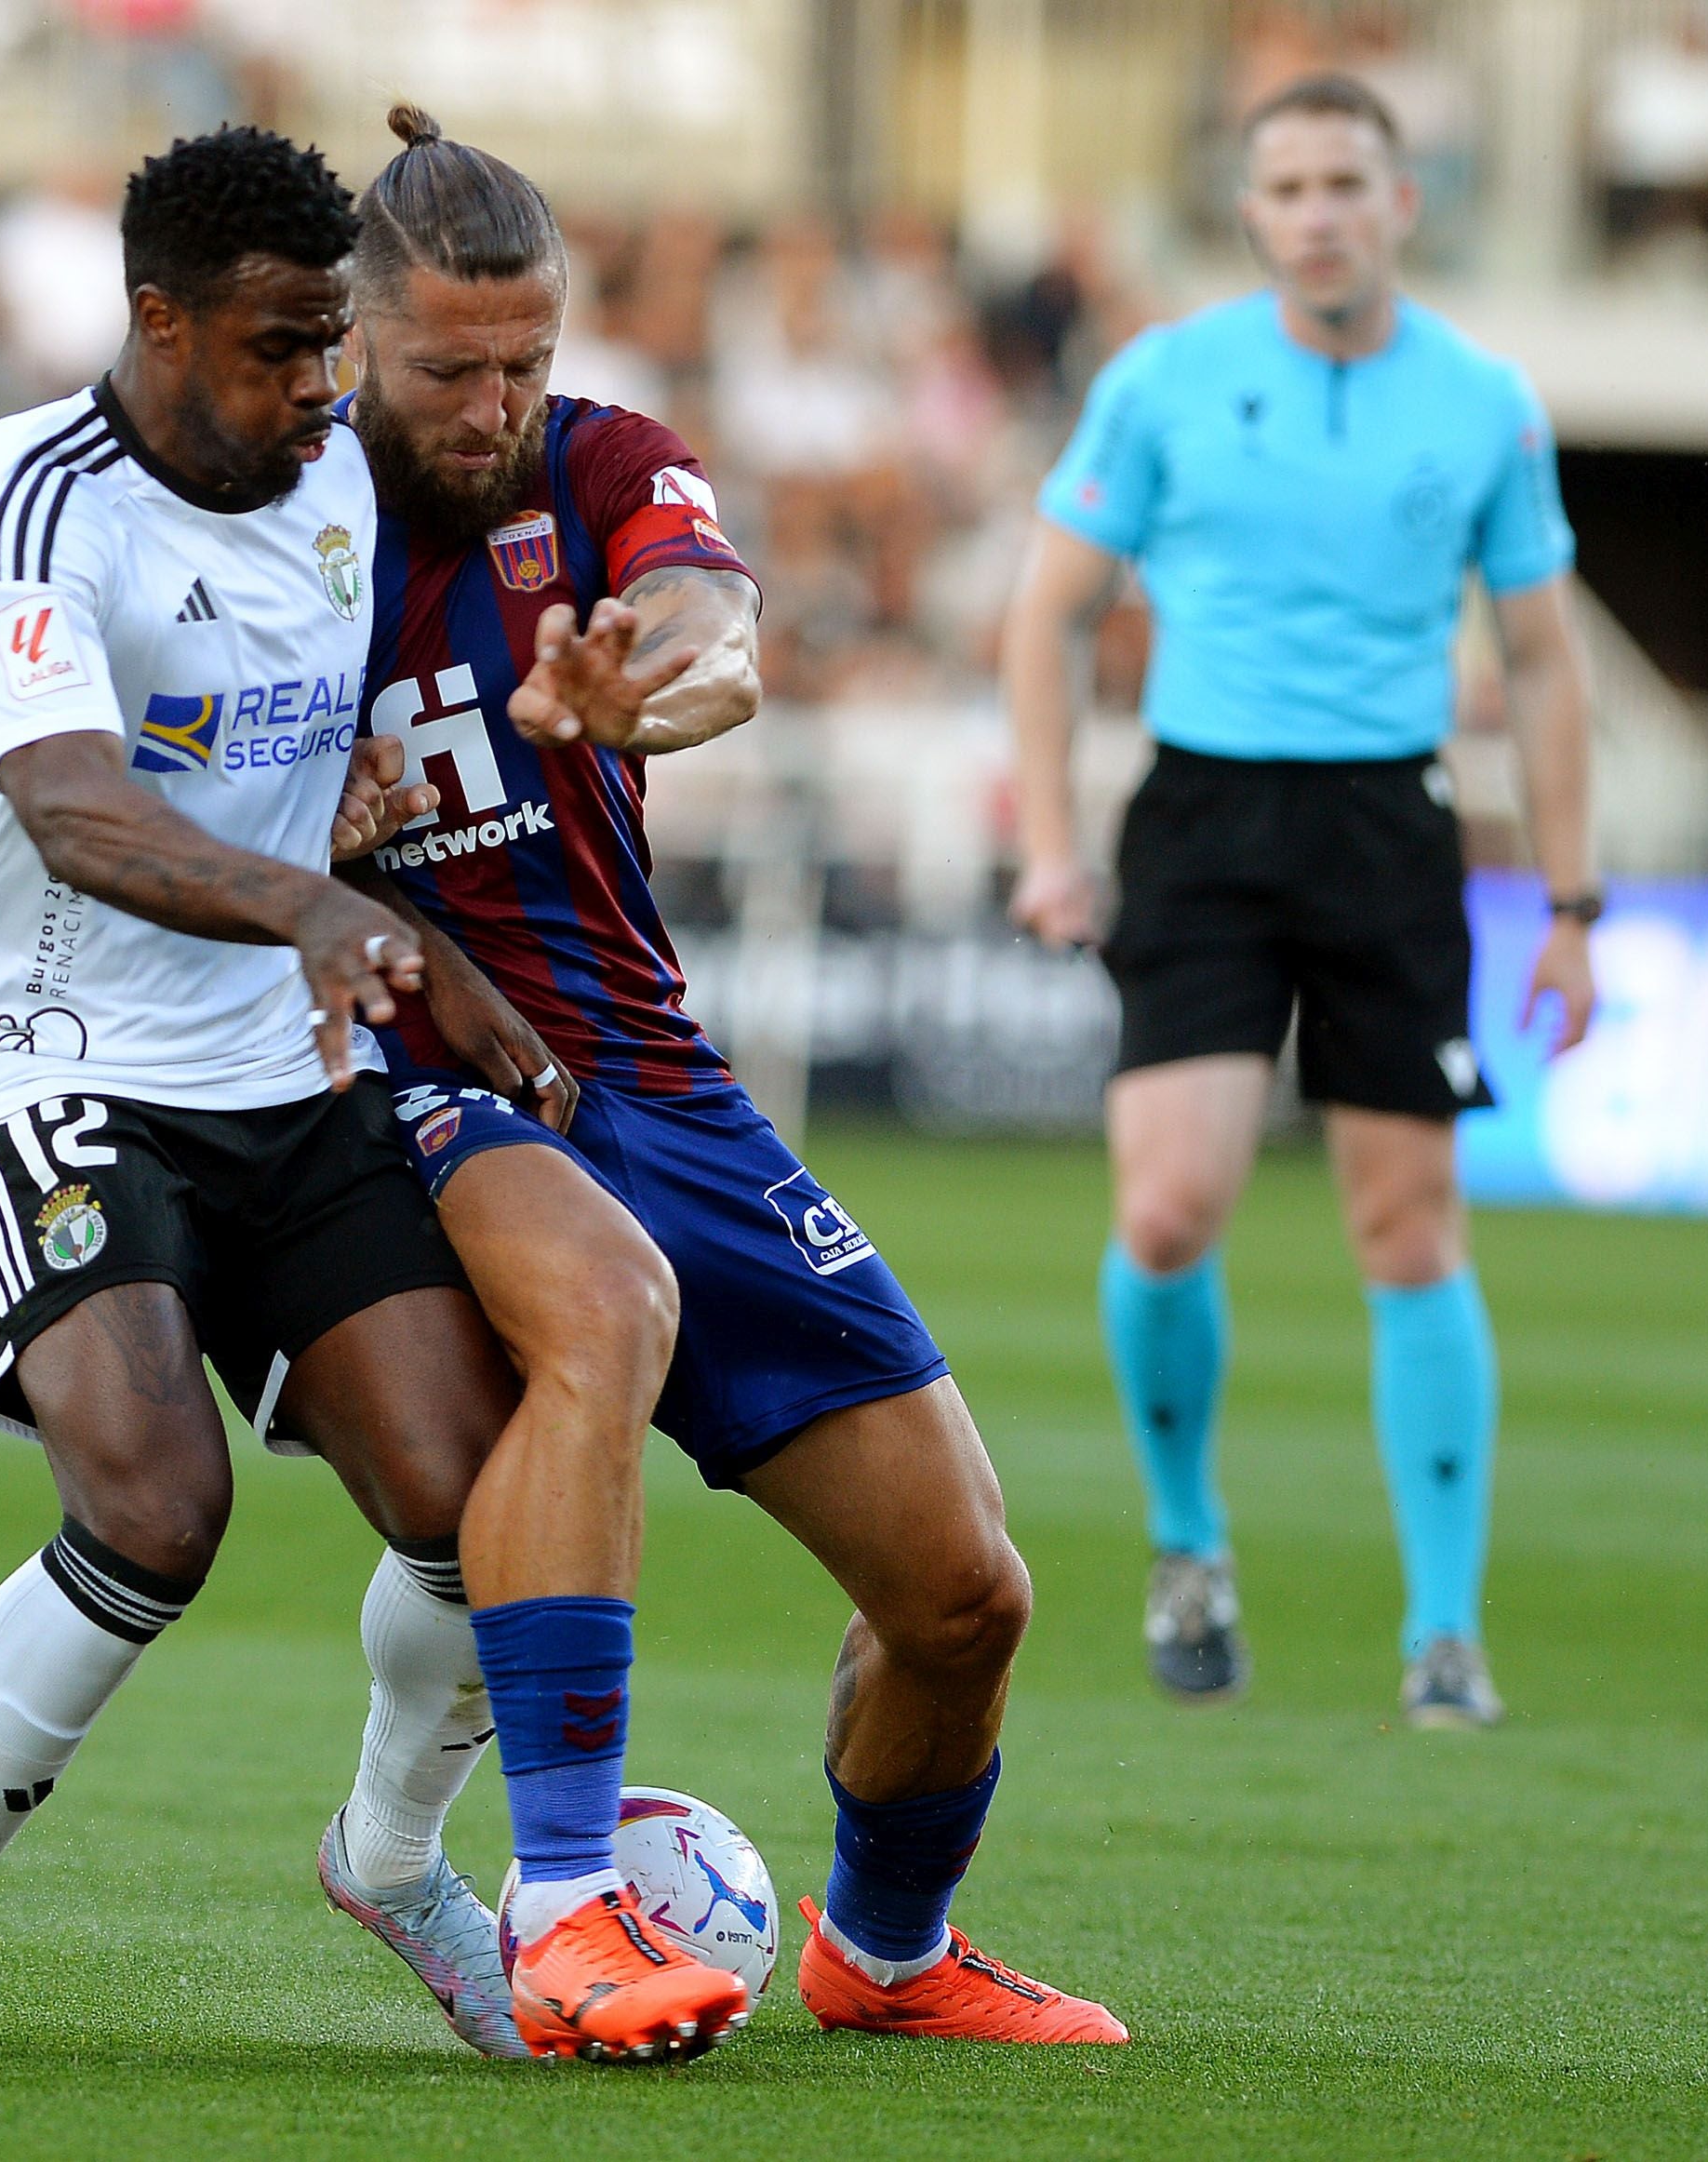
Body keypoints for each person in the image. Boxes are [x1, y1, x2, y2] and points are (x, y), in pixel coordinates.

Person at [0, 126, 747, 2071]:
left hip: (286, 1063)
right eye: (278, 346)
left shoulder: (336, 473)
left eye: (334, 342)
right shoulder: (29, 497)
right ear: (159, 321)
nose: (323, 386)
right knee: (157, 1505)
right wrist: (332, 910)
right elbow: (74, 810)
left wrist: (426, 943)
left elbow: (343, 751)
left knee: (470, 1498)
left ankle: (395, 1858)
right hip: (59, 1064)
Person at [314, 104, 1128, 2049]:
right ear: (355, 337)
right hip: (402, 1078)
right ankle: (566, 1901)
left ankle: (888, 1953)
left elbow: (721, 632)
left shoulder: (602, 462)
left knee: (966, 1593)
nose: (494, 406)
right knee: (600, 1314)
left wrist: (653, 678)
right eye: (448, 370)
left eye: (524, 360)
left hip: (650, 1076)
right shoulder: (275, 517)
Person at [996, 73, 1597, 1728]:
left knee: (1406, 1223)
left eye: (1347, 181)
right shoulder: (1165, 380)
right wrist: (1049, 839)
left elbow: (1544, 664)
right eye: (1288, 186)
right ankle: (1187, 1544)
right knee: (1167, 1209)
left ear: (1403, 202)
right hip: (1201, 818)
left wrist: (1571, 903)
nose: (1319, 212)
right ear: (1249, 213)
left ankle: (1444, 1633)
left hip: (1388, 828)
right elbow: (1047, 613)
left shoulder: (1481, 403)